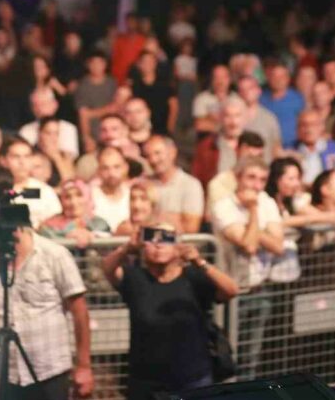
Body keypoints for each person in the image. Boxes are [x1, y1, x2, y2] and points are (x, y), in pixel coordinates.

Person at [0, 204, 94, 400]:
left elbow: (80, 312)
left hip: (49, 371)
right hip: (5, 373)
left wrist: (83, 366)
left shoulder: (54, 255)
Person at [101, 224, 239, 400]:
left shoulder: (193, 277)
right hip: (146, 381)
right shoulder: (135, 278)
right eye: (151, 238)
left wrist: (199, 261)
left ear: (178, 244)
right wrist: (127, 247)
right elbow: (108, 269)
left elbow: (231, 290)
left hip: (192, 378)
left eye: (167, 238)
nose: (158, 244)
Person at [211, 156, 284, 380]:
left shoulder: (267, 202)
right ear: (238, 178)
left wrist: (251, 229)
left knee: (251, 357)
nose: (257, 185)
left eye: (262, 180)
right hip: (231, 292)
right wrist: (253, 211)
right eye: (251, 178)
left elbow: (278, 245)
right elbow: (249, 246)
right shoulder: (223, 206)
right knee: (226, 355)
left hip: (260, 288)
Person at [143, 135, 205, 234]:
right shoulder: (143, 184)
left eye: (157, 153)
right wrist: (174, 218)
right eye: (148, 156)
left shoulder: (190, 185)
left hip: (180, 242)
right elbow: (132, 224)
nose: (153, 160)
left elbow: (191, 228)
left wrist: (151, 217)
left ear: (172, 152)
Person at [0, 136, 62, 228]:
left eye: (27, 156)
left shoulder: (44, 191)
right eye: (16, 157)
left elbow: (57, 224)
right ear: (3, 161)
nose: (22, 162)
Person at [39, 179, 112, 247]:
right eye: (67, 197)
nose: (73, 202)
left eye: (79, 195)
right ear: (61, 200)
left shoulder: (99, 223)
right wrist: (68, 237)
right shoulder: (49, 226)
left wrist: (90, 235)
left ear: (88, 197)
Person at [74, 50, 118, 153]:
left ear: (105, 64)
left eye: (100, 63)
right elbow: (83, 115)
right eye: (93, 63)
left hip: (112, 132)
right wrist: (86, 137)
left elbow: (116, 107)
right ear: (88, 65)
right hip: (94, 134)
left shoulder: (112, 83)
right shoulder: (83, 86)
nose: (96, 66)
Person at [258, 63, 305, 149]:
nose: (278, 80)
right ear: (269, 79)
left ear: (288, 78)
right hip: (267, 147)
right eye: (274, 77)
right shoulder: (261, 99)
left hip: (293, 147)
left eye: (281, 77)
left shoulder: (297, 99)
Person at [91, 146, 131, 232]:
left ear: (126, 168)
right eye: (105, 168)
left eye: (116, 167)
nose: (111, 173)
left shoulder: (134, 196)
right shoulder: (89, 197)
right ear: (98, 170)